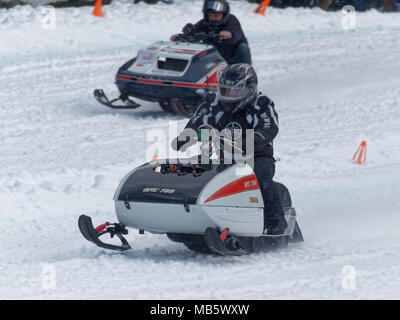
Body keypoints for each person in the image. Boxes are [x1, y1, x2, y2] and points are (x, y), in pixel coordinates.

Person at [172, 64, 287, 235]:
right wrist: (186, 136)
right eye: (226, 91)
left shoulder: (261, 104)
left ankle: (276, 220)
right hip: (222, 155)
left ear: (250, 89)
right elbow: (199, 120)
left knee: (260, 175)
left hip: (256, 155)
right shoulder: (214, 102)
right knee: (195, 170)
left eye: (236, 92)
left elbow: (269, 128)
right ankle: (191, 214)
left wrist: (250, 141)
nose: (229, 95)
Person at [170, 0, 251, 65]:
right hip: (214, 58)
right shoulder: (204, 23)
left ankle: (244, 75)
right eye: (210, 15)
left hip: (232, 57)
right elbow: (193, 33)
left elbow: (235, 32)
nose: (213, 18)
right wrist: (179, 37)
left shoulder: (232, 20)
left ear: (224, 14)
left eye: (216, 15)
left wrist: (229, 34)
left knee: (243, 47)